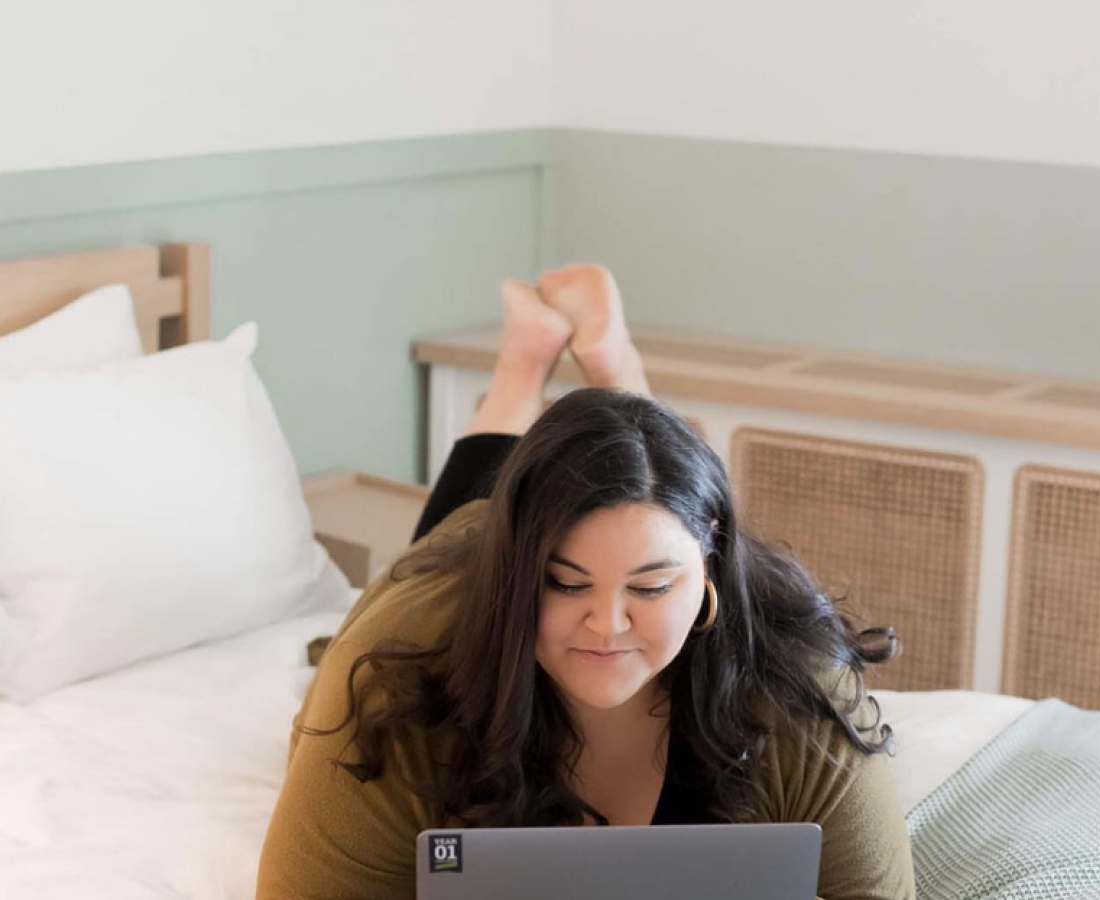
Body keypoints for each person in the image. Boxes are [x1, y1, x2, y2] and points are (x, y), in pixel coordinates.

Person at [257, 265, 917, 900]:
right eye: (564, 585)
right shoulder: (394, 678)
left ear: (710, 563)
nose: (607, 623)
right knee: (471, 515)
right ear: (521, 577)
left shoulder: (798, 685)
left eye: (652, 588)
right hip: (457, 570)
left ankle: (613, 382)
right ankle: (522, 367)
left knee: (640, 474)